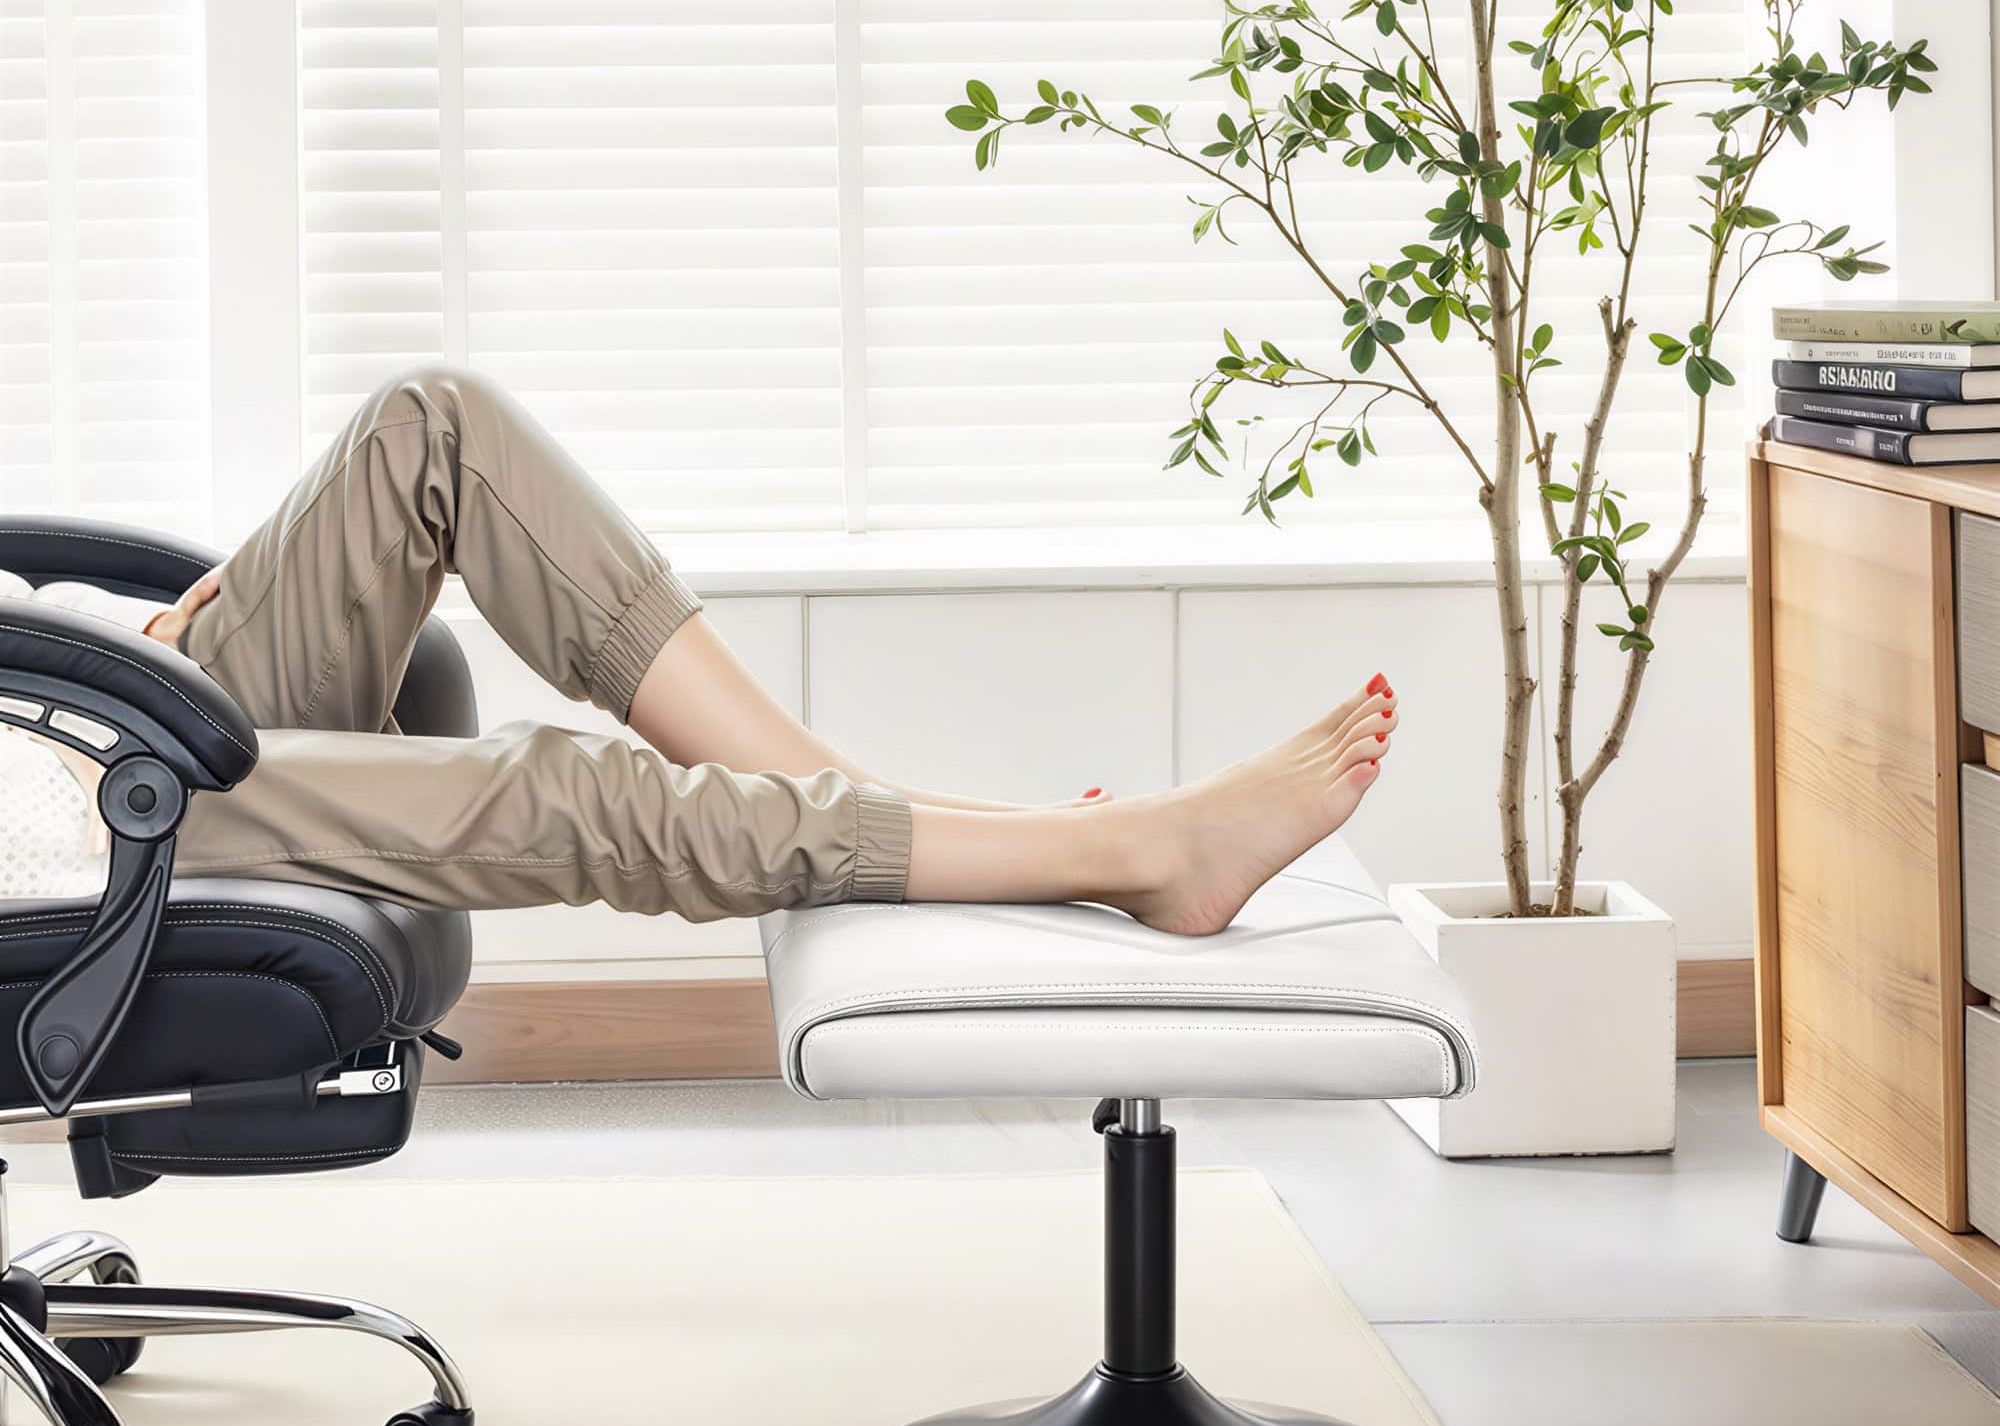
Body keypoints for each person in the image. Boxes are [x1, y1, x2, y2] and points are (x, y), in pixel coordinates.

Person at [1, 367, 1396, 937]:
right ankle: (1124, 855)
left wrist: (77, 627)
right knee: (560, 791)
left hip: (58, 700)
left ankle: (861, 806)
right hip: (49, 806)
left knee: (436, 425)